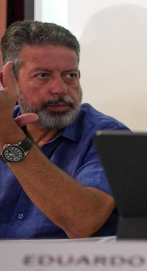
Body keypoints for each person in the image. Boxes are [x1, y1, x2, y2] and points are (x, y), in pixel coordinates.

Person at [0, 20, 130, 238]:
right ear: (9, 82)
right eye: (43, 75)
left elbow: (83, 221)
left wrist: (10, 139)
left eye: (70, 76)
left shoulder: (108, 137)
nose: (60, 89)